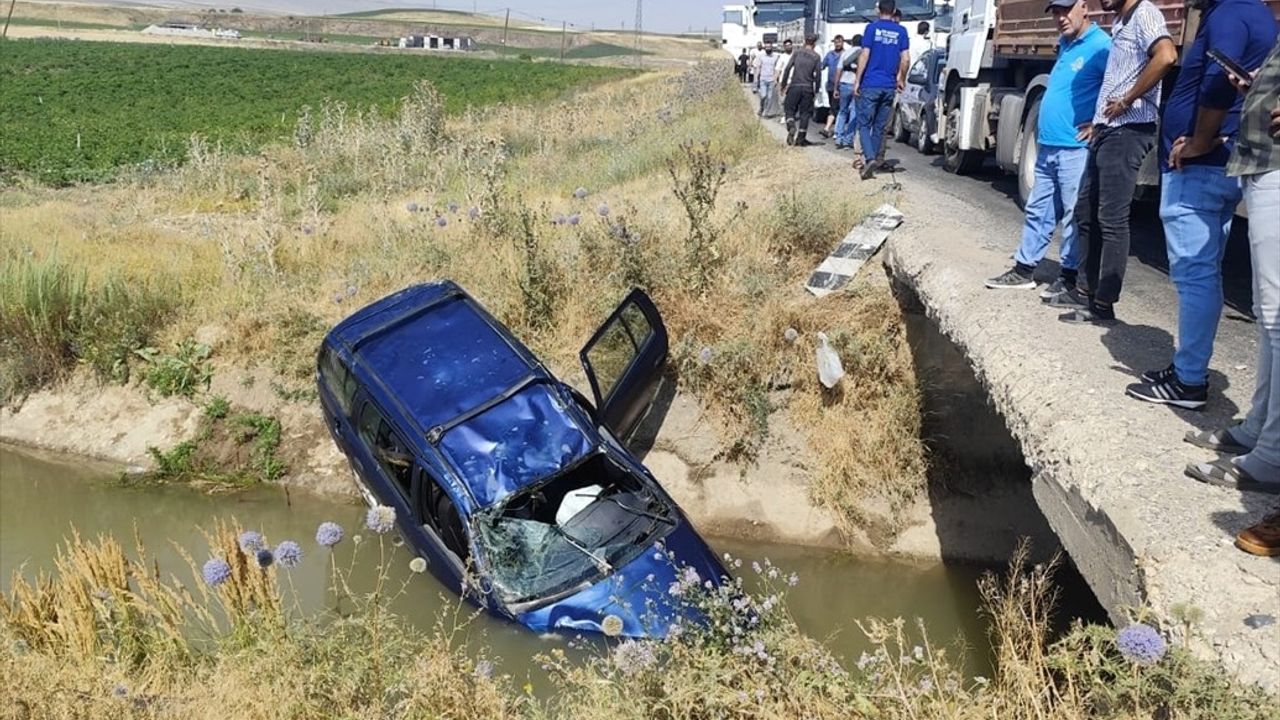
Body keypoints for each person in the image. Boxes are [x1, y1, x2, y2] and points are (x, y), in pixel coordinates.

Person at [1125, 2, 1277, 409]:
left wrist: (1200, 140)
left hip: (1199, 165)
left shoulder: (1229, 14)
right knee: (1205, 271)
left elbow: (1218, 80)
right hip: (1221, 162)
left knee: (1195, 274)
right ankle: (1186, 368)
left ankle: (1189, 381)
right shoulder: (1256, 13)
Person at [1182, 41, 1280, 509]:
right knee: (1267, 314)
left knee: (1279, 318)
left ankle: (1273, 458)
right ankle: (1259, 428)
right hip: (1263, 166)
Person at [1057, 0, 1176, 325]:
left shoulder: (1144, 14)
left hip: (1130, 129)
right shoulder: (1122, 21)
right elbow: (1119, 77)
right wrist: (1099, 121)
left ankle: (1103, 303)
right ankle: (1084, 291)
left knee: (1111, 217)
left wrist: (1127, 100)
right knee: (1086, 210)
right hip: (1109, 129)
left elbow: (1167, 56)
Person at [985, 0, 1110, 299]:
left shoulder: (1102, 46)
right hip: (1050, 145)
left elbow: (1117, 86)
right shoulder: (1065, 43)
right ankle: (1024, 269)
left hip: (1075, 147)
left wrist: (1099, 122)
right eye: (1056, 12)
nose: (1061, 17)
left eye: (1066, 10)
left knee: (1072, 215)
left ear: (1084, 7)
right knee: (1038, 209)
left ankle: (1069, 277)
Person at [853, 0, 910, 180]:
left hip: (871, 83)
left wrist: (857, 80)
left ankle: (869, 158)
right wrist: (901, 78)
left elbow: (865, 54)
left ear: (878, 10)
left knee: (863, 124)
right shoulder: (901, 31)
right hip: (889, 86)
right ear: (893, 11)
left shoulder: (872, 29)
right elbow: (906, 59)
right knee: (879, 127)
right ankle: (876, 161)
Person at [783, 33, 824, 146]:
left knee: (789, 109)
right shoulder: (816, 57)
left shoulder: (797, 53)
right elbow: (818, 76)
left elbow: (787, 69)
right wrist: (816, 91)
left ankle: (791, 126)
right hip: (807, 87)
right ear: (814, 44)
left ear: (805, 42)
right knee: (805, 113)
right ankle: (801, 139)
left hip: (795, 85)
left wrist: (783, 85)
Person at [833, 35, 863, 149]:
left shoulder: (845, 53)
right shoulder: (863, 53)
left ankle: (838, 137)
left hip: (844, 84)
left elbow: (838, 70)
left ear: (851, 42)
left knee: (842, 112)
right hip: (856, 85)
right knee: (854, 112)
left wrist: (836, 87)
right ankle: (848, 139)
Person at [821, 35, 847, 138]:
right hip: (831, 85)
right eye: (836, 42)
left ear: (843, 43)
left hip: (842, 85)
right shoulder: (829, 55)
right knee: (833, 106)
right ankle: (832, 129)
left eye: (839, 42)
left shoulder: (845, 54)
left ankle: (832, 129)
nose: (838, 44)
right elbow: (822, 65)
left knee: (839, 107)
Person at [755, 43, 782, 116]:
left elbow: (778, 69)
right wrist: (757, 78)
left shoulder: (775, 57)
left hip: (771, 80)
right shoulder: (761, 57)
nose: (768, 48)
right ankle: (761, 108)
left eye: (769, 47)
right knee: (763, 96)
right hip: (763, 79)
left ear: (772, 48)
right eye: (766, 47)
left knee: (769, 98)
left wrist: (776, 79)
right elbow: (758, 67)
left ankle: (766, 112)